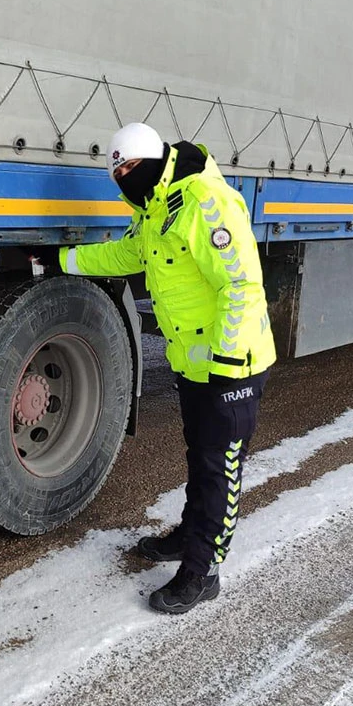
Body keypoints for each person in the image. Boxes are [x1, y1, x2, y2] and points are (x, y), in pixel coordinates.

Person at [59, 122, 276, 614]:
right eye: (119, 173)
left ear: (157, 160)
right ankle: (188, 536)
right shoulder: (156, 210)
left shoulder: (205, 202)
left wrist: (225, 362)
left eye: (133, 167)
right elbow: (125, 254)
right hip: (195, 364)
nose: (126, 179)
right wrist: (63, 259)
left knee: (220, 468)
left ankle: (204, 571)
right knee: (200, 457)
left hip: (233, 365)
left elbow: (240, 287)